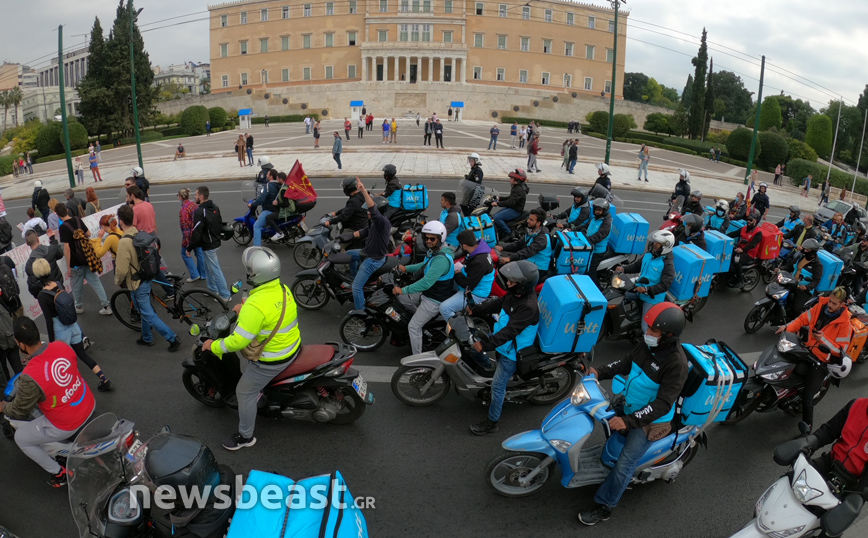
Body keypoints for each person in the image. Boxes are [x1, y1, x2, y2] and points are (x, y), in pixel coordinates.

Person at [579, 302, 688, 525]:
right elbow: (627, 362)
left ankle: (605, 507)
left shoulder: (676, 363)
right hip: (631, 404)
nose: (647, 333)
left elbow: (662, 404)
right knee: (592, 409)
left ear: (668, 335)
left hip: (651, 421)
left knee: (624, 466)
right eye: (648, 328)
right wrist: (599, 371)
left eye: (653, 330)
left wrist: (629, 421)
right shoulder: (650, 345)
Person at [201, 246, 300, 451]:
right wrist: (245, 308)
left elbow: (238, 342)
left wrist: (214, 346)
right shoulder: (282, 289)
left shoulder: (255, 306)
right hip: (292, 346)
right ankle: (261, 391)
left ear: (256, 274)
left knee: (243, 392)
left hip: (273, 359)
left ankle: (245, 437)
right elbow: (269, 312)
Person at [1, 317, 95, 487]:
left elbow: (18, 410)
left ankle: (59, 472)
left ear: (20, 344)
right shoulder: (61, 346)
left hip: (68, 423)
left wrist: (3, 407)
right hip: (87, 402)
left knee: (21, 438)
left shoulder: (30, 375)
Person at [467, 260, 541, 435]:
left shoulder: (527, 307)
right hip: (504, 345)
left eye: (512, 282)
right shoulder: (515, 295)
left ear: (523, 285)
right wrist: (475, 309)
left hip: (512, 353)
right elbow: (497, 303)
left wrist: (485, 345)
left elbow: (509, 332)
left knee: (498, 387)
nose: (508, 283)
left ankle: (491, 424)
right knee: (472, 349)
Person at [777, 287, 852, 432]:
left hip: (821, 360)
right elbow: (802, 320)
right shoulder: (820, 306)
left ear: (842, 305)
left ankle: (808, 427)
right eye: (830, 301)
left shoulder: (845, 325)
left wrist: (823, 340)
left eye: (834, 304)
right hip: (805, 349)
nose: (830, 305)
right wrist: (786, 328)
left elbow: (840, 351)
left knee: (808, 396)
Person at [32, 258, 113, 392]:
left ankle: (76, 389)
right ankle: (104, 378)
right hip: (73, 325)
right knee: (82, 354)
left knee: (64, 362)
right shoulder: (58, 284)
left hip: (59, 329)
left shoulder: (42, 295)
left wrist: (52, 342)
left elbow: (48, 320)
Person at [115, 204, 181, 351]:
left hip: (136, 282)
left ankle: (172, 338)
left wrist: (118, 281)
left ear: (121, 221)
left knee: (148, 313)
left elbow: (121, 269)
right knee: (144, 309)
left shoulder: (124, 242)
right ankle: (146, 337)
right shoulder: (139, 234)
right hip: (147, 277)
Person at [394, 221, 454, 356]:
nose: (428, 241)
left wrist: (403, 289)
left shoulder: (441, 260)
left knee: (413, 326)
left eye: (432, 238)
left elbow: (426, 283)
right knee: (402, 300)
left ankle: (418, 360)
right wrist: (406, 268)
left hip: (434, 299)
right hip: (427, 293)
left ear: (441, 238)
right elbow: (424, 265)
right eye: (426, 238)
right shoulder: (434, 252)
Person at [616, 230, 676, 332]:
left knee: (646, 328)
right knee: (618, 295)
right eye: (655, 241)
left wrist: (646, 289)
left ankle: (648, 346)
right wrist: (623, 269)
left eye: (658, 243)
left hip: (652, 298)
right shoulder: (649, 255)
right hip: (638, 289)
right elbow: (636, 266)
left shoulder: (668, 264)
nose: (654, 244)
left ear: (666, 246)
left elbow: (665, 285)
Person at [57, 204, 111, 316]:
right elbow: (89, 234)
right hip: (87, 257)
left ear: (58, 215)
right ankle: (106, 305)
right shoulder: (77, 219)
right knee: (95, 281)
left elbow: (67, 248)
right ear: (67, 210)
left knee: (76, 285)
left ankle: (79, 306)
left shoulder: (63, 227)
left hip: (76, 261)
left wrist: (68, 267)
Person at [346, 181, 391, 311]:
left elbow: (373, 210)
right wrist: (344, 237)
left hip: (373, 260)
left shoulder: (382, 222)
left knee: (356, 287)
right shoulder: (373, 223)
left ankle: (361, 313)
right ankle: (355, 276)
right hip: (366, 252)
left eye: (370, 212)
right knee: (349, 255)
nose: (368, 213)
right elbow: (364, 231)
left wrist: (363, 191)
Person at [188, 186, 231, 301]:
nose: (194, 196)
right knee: (208, 268)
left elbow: (196, 232)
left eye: (196, 195)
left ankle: (225, 295)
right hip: (216, 242)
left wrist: (189, 248)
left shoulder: (199, 211)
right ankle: (212, 290)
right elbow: (218, 223)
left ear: (201, 196)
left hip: (209, 245)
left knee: (215, 270)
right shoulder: (214, 207)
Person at [440, 229, 494, 320]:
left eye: (460, 245)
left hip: (475, 294)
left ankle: (458, 330)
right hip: (472, 283)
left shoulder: (479, 262)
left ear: (464, 245)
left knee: (444, 308)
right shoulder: (480, 250)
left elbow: (468, 285)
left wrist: (457, 274)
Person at [496, 208, 552, 283]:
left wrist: (509, 258)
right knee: (502, 268)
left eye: (531, 220)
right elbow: (518, 244)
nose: (528, 221)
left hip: (537, 269)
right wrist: (502, 247)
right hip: (528, 263)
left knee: (507, 274)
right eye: (529, 218)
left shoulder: (542, 238)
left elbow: (528, 252)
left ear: (538, 223)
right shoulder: (532, 231)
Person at [783, 238, 824, 319]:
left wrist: (806, 287)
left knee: (795, 309)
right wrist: (780, 268)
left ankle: (790, 324)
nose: (804, 251)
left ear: (813, 252)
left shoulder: (818, 265)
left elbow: (816, 281)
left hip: (803, 290)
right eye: (804, 249)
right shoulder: (801, 257)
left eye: (807, 250)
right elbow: (790, 266)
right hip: (792, 282)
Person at [577, 200, 613, 287]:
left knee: (590, 271)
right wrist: (573, 228)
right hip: (590, 248)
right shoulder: (595, 218)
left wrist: (586, 241)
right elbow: (586, 226)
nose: (597, 212)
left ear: (604, 211)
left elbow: (599, 236)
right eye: (596, 209)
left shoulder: (606, 223)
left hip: (597, 251)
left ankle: (596, 289)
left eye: (600, 210)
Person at [323, 178, 369, 242]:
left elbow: (344, 216)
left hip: (354, 228)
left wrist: (330, 222)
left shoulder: (354, 201)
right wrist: (336, 213)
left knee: (337, 245)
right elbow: (348, 209)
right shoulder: (360, 195)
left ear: (348, 189)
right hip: (362, 225)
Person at [728, 210, 764, 288]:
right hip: (739, 249)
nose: (748, 221)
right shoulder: (744, 228)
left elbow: (753, 244)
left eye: (751, 220)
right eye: (748, 219)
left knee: (736, 260)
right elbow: (733, 234)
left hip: (749, 254)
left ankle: (739, 280)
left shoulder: (758, 233)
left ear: (755, 221)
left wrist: (743, 250)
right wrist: (723, 236)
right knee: (727, 255)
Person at [178, 189, 207, 283]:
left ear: (180, 197)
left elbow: (186, 227)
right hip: (198, 233)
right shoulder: (194, 205)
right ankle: (203, 274)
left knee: (185, 254)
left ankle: (194, 275)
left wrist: (186, 243)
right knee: (199, 253)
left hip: (190, 236)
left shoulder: (184, 209)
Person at [491, 168, 529, 238]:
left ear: (515, 180)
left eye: (511, 178)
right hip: (512, 208)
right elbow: (511, 197)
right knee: (493, 216)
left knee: (497, 218)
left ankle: (509, 233)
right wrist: (500, 199)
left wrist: (498, 204)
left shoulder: (518, 189)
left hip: (515, 210)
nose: (510, 180)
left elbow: (511, 202)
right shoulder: (517, 187)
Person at [266, 172, 297, 242]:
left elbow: (286, 204)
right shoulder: (286, 186)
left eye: (277, 178)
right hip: (285, 210)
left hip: (284, 212)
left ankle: (279, 233)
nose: (276, 180)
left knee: (268, 218)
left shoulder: (283, 190)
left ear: (280, 179)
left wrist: (277, 203)